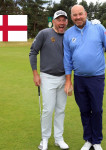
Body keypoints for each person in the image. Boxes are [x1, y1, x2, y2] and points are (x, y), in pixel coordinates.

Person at [63, 5, 106, 150]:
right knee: (83, 110)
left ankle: (97, 141)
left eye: (80, 14)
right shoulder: (68, 34)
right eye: (75, 15)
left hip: (96, 78)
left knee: (96, 110)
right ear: (72, 17)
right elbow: (67, 59)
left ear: (85, 14)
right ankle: (88, 139)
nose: (78, 17)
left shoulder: (98, 28)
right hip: (79, 79)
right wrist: (68, 80)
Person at [29, 10, 69, 150]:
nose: (61, 22)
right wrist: (35, 74)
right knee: (48, 110)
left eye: (64, 20)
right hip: (47, 77)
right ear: (54, 21)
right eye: (59, 20)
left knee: (61, 110)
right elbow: (33, 52)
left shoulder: (69, 35)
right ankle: (44, 139)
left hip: (64, 77)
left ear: (66, 22)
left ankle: (59, 138)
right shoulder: (44, 33)